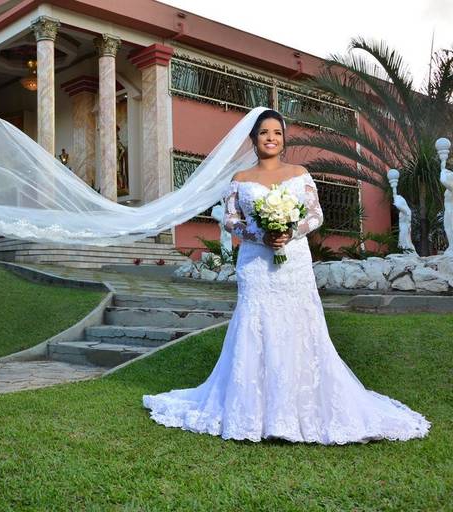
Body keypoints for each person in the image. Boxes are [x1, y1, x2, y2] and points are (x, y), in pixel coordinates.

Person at [143, 110, 430, 444]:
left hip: (293, 263)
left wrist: (290, 230)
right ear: (253, 139)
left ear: (283, 139)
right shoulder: (240, 177)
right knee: (256, 322)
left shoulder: (299, 173)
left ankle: (300, 408)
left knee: (299, 323)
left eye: (277, 133)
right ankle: (253, 412)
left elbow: (317, 215)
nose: (270, 138)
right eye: (264, 132)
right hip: (255, 265)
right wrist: (258, 233)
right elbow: (230, 221)